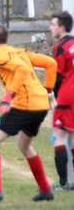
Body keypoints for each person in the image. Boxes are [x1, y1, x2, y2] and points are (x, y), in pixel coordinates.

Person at [0, 24, 56, 202]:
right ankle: (45, 190)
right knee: (24, 146)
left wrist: (10, 95)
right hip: (40, 105)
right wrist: (48, 89)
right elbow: (50, 63)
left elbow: (22, 70)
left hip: (24, 104)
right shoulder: (19, 52)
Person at [49, 10, 74, 190]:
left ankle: (62, 182)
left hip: (66, 97)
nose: (51, 28)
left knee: (59, 136)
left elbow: (56, 77)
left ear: (62, 27)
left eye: (53, 25)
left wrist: (54, 96)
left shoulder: (60, 47)